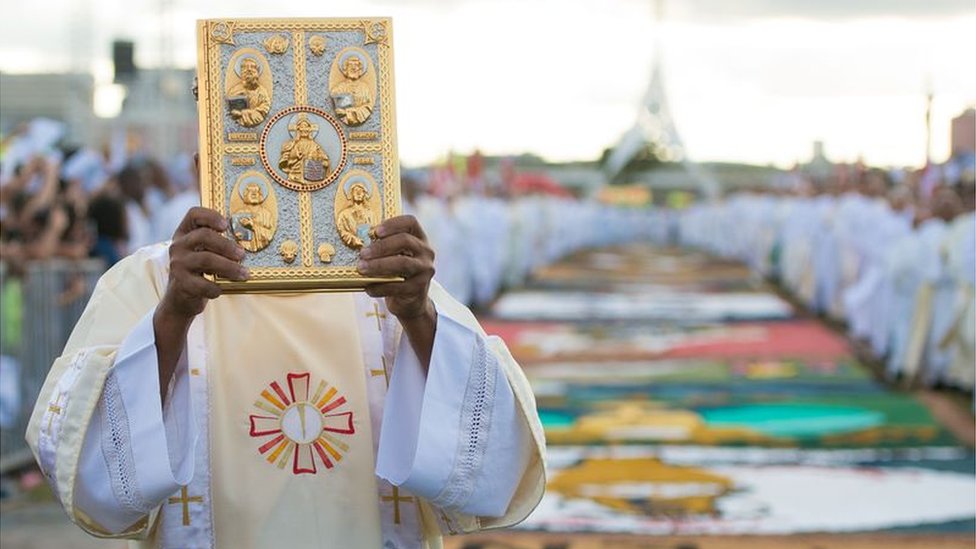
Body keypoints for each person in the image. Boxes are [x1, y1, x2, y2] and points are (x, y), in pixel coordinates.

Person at [26, 198, 545, 547]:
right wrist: (174, 313)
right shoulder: (149, 279)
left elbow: (491, 450)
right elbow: (84, 461)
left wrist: (418, 314)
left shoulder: (386, 279)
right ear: (204, 165)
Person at [278, 114, 329, 185]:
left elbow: (325, 161)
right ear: (298, 130)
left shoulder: (315, 145)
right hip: (295, 177)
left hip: (312, 176)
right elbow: (285, 159)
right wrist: (295, 156)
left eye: (306, 127)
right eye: (302, 127)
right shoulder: (292, 144)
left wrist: (320, 163)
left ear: (309, 130)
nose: (304, 129)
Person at [330, 54, 373, 126]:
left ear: (360, 69)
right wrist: (348, 112)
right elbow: (340, 112)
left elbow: (368, 107)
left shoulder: (365, 88)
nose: (354, 68)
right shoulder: (338, 89)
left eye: (356, 65)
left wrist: (347, 112)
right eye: (350, 65)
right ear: (345, 69)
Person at [227, 57, 271, 128]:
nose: (249, 69)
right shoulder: (235, 90)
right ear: (241, 72)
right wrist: (241, 113)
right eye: (245, 67)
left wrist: (250, 112)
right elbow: (233, 111)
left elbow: (265, 107)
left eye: (252, 67)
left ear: (257, 72)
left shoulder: (262, 91)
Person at [232, 181, 275, 252]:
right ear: (245, 195)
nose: (254, 194)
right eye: (250, 191)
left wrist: (253, 226)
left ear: (260, 195)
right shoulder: (239, 214)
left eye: (256, 191)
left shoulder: (267, 215)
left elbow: (269, 236)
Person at [336, 180, 377, 250]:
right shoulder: (344, 214)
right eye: (356, 190)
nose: (359, 193)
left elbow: (375, 228)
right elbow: (342, 231)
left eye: (361, 191)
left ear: (365, 194)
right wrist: (354, 240)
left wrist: (372, 234)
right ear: (351, 194)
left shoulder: (370, 214)